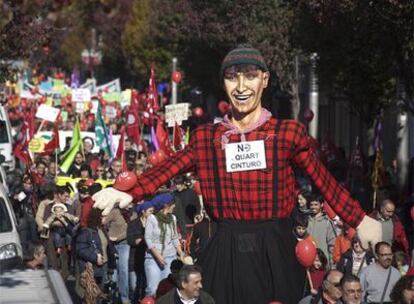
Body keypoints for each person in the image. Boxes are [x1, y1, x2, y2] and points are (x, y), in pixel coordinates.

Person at [93, 45, 381, 304]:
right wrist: (128, 191)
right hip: (226, 248)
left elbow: (323, 179)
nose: (241, 86)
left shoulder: (286, 133)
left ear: (264, 80)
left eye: (250, 76)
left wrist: (358, 217)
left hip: (276, 248)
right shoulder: (208, 137)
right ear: (224, 83)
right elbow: (168, 168)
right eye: (233, 77)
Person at [144, 193, 184, 296]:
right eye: (173, 204)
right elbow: (148, 239)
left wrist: (181, 253)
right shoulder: (152, 218)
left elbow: (175, 237)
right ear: (166, 205)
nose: (174, 206)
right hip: (153, 259)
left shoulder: (173, 218)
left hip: (169, 258)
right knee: (153, 290)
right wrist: (158, 255)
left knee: (167, 291)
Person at [127, 200, 155, 302]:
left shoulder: (153, 223)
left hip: (148, 258)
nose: (152, 213)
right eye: (150, 211)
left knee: (146, 286)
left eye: (153, 211)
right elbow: (129, 239)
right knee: (135, 286)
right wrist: (136, 241)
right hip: (135, 258)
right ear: (143, 211)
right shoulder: (134, 223)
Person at [307, 194, 337, 268]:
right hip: (308, 262)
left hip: (322, 262)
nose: (313, 207)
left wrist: (332, 266)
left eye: (316, 204)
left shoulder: (327, 222)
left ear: (322, 205)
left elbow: (332, 245)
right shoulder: (306, 220)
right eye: (311, 205)